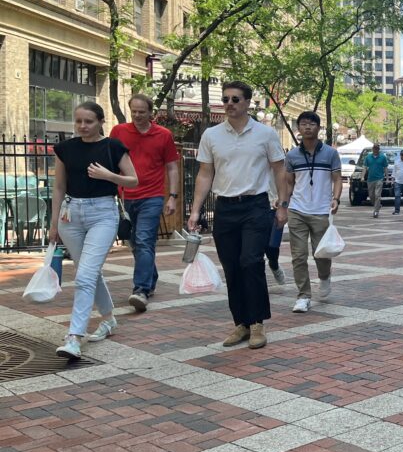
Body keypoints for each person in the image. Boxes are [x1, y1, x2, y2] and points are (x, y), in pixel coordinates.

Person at [188, 81, 287, 350]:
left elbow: (279, 170)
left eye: (235, 99)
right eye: (226, 99)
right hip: (225, 208)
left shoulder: (265, 134)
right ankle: (240, 324)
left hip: (256, 206)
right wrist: (195, 210)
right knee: (232, 266)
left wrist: (282, 205)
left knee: (251, 261)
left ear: (247, 103)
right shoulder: (211, 135)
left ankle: (257, 324)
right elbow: (205, 174)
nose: (229, 104)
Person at [48, 101, 139, 359]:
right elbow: (58, 187)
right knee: (89, 273)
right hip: (70, 215)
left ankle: (74, 337)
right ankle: (109, 319)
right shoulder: (65, 149)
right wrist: (53, 223)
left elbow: (133, 180)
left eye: (88, 121)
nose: (82, 126)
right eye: (78, 121)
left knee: (85, 276)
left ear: (100, 122)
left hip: (103, 214)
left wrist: (109, 176)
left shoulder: (113, 146)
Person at [109, 94, 180, 313]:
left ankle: (141, 289)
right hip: (125, 197)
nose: (138, 116)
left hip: (152, 196)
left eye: (142, 112)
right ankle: (151, 276)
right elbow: (110, 161)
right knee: (135, 243)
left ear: (151, 112)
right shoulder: (119, 132)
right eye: (134, 112)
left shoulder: (163, 135)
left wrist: (173, 196)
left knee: (144, 239)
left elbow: (172, 167)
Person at [284, 111, 342, 313]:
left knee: (321, 254)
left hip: (321, 211)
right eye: (303, 124)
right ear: (298, 129)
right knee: (298, 256)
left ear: (318, 128)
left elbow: (337, 179)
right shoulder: (291, 155)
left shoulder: (330, 153)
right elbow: (289, 183)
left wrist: (335, 199)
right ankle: (303, 296)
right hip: (297, 210)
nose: (307, 127)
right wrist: (283, 203)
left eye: (311, 124)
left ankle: (324, 277)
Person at [364, 143, 388, 218]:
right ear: (372, 149)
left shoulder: (383, 157)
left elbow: (385, 168)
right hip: (370, 179)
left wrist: (387, 178)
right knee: (371, 196)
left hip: (379, 179)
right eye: (374, 148)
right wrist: (362, 176)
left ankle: (376, 211)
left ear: (379, 149)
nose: (375, 149)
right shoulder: (368, 157)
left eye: (377, 148)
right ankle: (378, 205)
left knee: (377, 195)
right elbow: (365, 167)